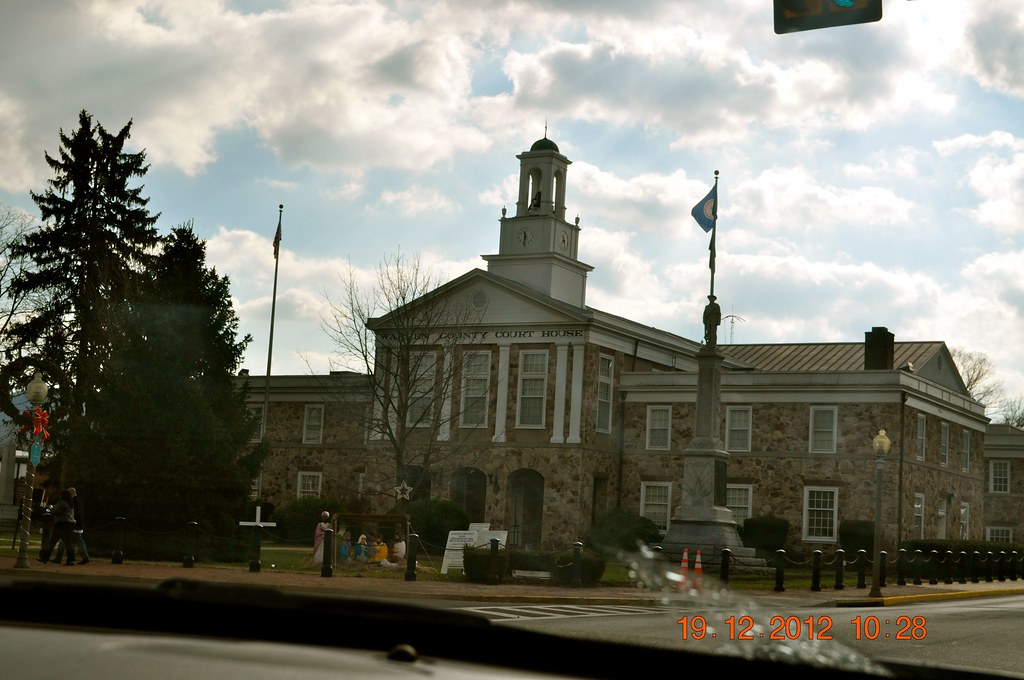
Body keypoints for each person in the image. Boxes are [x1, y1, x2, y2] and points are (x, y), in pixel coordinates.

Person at [37, 489, 76, 565]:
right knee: (68, 543)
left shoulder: (62, 503)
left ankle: (45, 557)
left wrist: (49, 509)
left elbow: (55, 511)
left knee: (52, 541)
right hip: (70, 524)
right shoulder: (70, 503)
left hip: (61, 524)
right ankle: (70, 559)